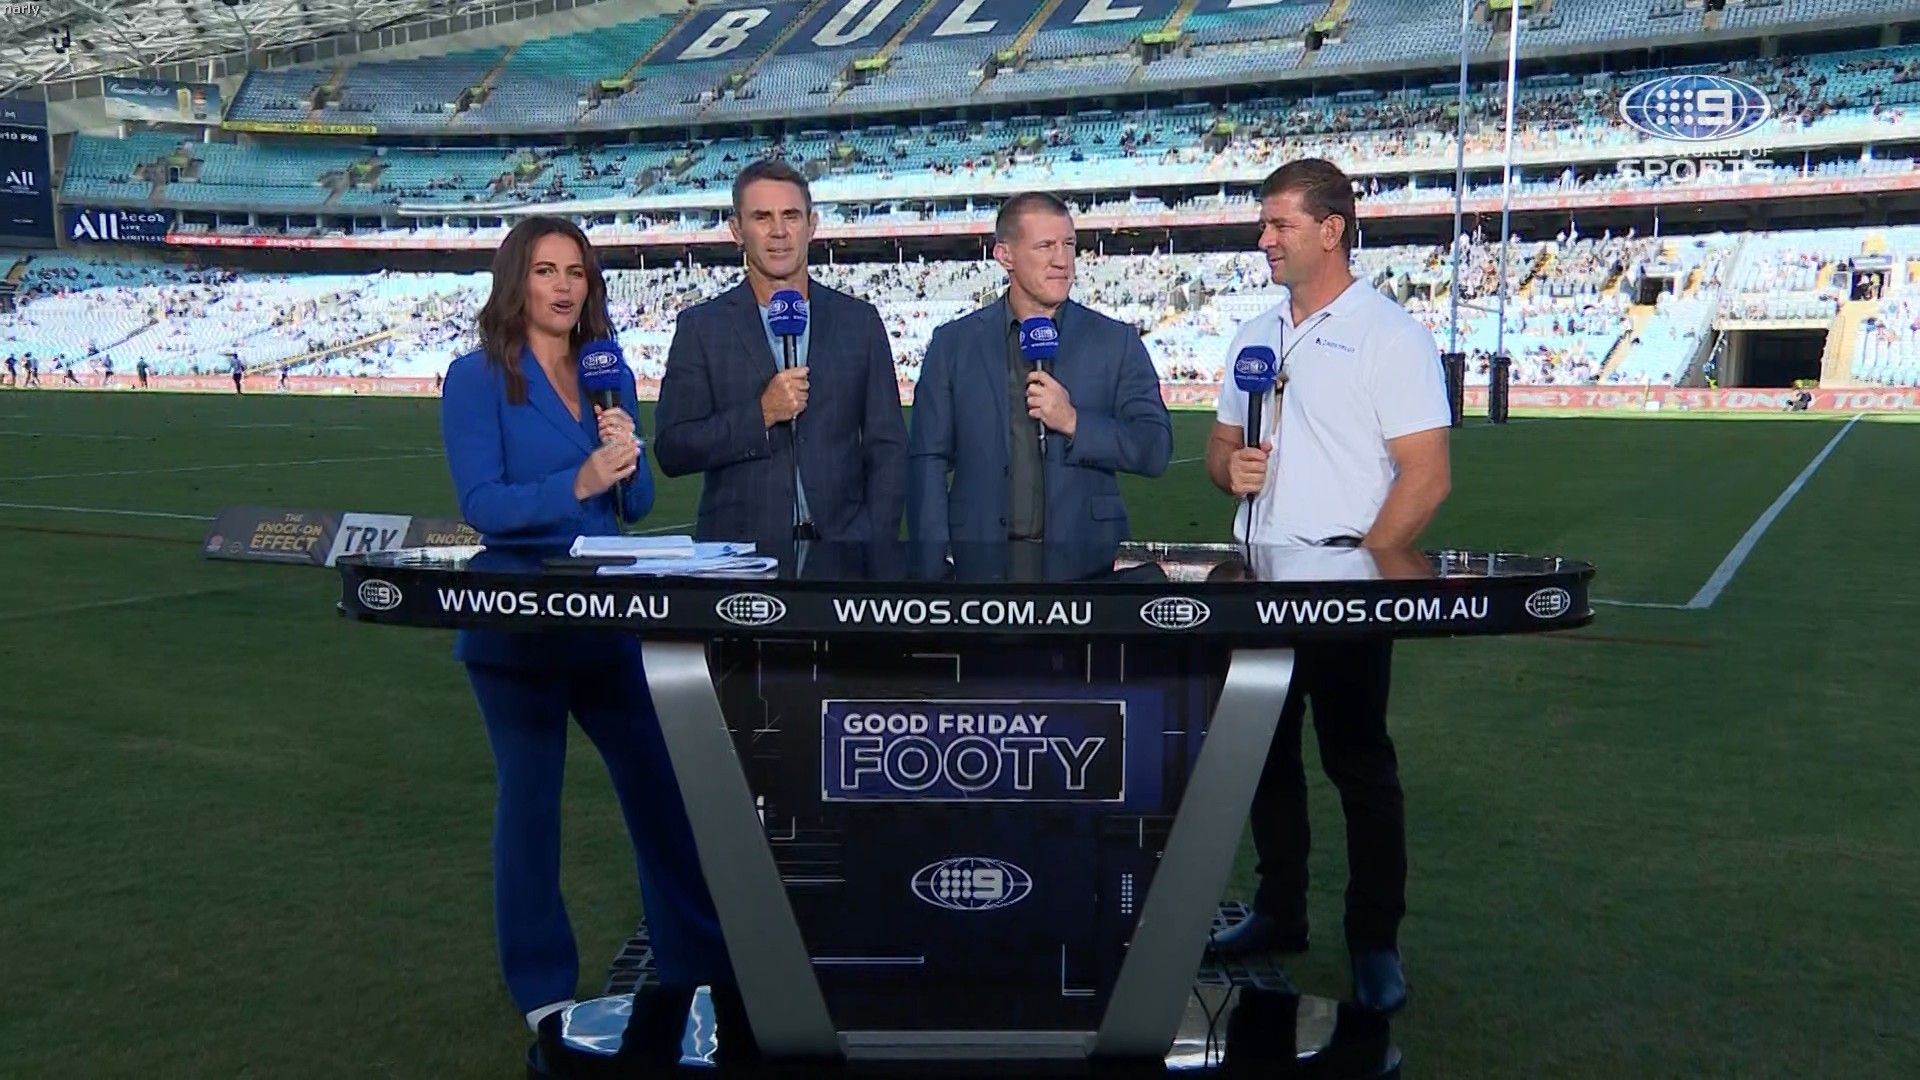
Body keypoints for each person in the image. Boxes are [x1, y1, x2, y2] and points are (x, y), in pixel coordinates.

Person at [439, 215, 733, 1066]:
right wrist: (576, 479)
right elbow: (482, 505)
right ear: (516, 281)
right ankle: (543, 987)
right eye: (546, 271)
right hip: (516, 624)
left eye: (577, 272)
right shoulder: (476, 377)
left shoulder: (611, 373)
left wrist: (623, 458)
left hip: (606, 621)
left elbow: (631, 507)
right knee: (531, 805)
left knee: (661, 790)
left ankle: (699, 963)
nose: (565, 287)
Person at [1202, 160, 1451, 1016]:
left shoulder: (1390, 334)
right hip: (1258, 580)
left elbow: (1426, 476)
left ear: (1332, 229)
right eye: (1264, 225)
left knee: (1359, 766)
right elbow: (1219, 448)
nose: (1263, 239)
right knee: (1264, 758)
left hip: (1345, 584)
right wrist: (1228, 468)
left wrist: (1362, 574)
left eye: (1279, 225)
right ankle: (1279, 911)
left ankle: (1375, 942)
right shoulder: (1253, 332)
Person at [653, 158, 907, 544]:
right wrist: (761, 414)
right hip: (741, 555)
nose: (778, 231)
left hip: (844, 553)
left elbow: (888, 446)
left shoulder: (859, 322)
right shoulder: (702, 327)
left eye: (791, 216)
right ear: (737, 230)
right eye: (762, 217)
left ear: (812, 225)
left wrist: (872, 536)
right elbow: (673, 449)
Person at [906, 191, 1171, 557]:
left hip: (1085, 565)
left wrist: (1074, 422)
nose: (1062, 260)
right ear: (1005, 256)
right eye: (1045, 246)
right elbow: (928, 459)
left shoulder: (1116, 341)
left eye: (1069, 244)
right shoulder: (953, 344)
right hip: (981, 565)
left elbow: (1155, 449)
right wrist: (931, 565)